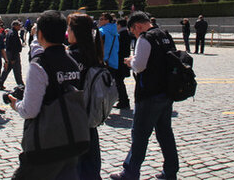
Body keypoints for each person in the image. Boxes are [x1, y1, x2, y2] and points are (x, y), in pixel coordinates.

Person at [9, 10, 84, 179]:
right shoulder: (72, 62)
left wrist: (16, 104)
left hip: (47, 141)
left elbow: (30, 110)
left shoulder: (40, 65)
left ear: (40, 34)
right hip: (72, 137)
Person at [110, 11, 179, 180]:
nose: (134, 34)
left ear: (138, 26)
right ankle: (170, 171)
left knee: (140, 135)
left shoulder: (145, 38)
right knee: (165, 134)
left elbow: (139, 66)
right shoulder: (165, 35)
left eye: (133, 31)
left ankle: (130, 172)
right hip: (166, 92)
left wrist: (130, 61)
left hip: (149, 93)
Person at [67, 13, 104, 180]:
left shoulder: (72, 56)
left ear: (77, 32)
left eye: (69, 29)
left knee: (75, 162)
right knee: (91, 159)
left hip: (74, 115)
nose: (67, 32)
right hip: (90, 111)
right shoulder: (93, 51)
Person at [0, 20, 25, 90]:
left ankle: (0, 83)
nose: (20, 26)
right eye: (18, 25)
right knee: (17, 70)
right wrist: (13, 58)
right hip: (13, 55)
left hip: (10, 54)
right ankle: (21, 85)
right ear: (14, 26)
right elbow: (12, 47)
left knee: (7, 69)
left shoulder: (11, 32)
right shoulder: (13, 34)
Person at [115, 18, 132, 109]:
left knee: (119, 82)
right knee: (119, 81)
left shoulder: (121, 34)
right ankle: (123, 99)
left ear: (119, 25)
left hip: (120, 60)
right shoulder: (127, 33)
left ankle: (123, 100)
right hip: (124, 60)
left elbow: (118, 49)